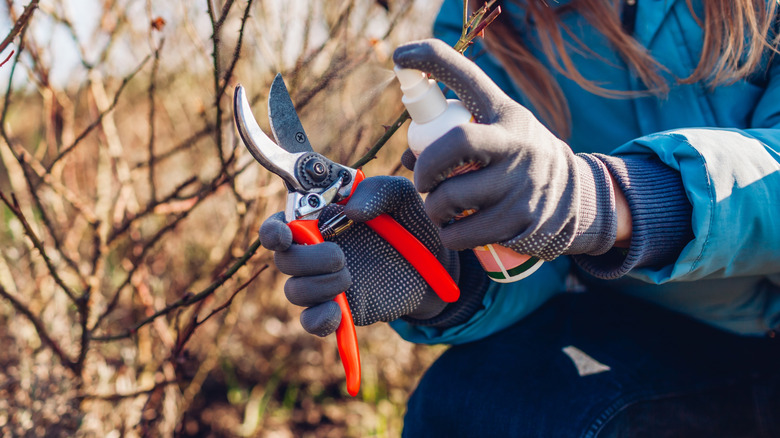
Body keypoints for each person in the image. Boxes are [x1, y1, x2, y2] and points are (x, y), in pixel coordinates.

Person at [259, 0, 780, 436]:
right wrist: (449, 275)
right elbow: (534, 255)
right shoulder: (486, 21)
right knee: (474, 404)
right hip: (676, 342)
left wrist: (609, 198)